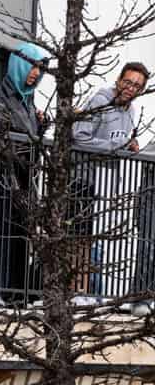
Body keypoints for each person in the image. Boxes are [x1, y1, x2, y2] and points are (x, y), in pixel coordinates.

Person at [71, 60, 148, 307]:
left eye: (137, 85)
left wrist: (130, 144)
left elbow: (121, 142)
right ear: (118, 79)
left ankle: (92, 291)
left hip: (107, 182)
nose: (131, 88)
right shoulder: (100, 101)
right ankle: (77, 292)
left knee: (98, 239)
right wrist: (119, 146)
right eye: (128, 82)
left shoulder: (131, 112)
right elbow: (80, 138)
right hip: (83, 178)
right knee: (80, 238)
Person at [0, 40, 48, 304]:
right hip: (5, 173)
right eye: (32, 66)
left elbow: (31, 139)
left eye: (40, 69)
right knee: (4, 232)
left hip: (24, 176)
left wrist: (42, 126)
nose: (36, 73)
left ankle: (16, 292)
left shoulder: (29, 101)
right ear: (20, 64)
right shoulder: (0, 93)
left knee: (22, 233)